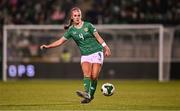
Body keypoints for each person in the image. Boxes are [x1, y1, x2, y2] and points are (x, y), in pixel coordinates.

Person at [40, 7, 111, 104]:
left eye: (79, 15)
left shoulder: (88, 25)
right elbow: (60, 41)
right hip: (85, 55)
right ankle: (86, 94)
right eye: (75, 16)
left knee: (94, 76)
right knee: (87, 74)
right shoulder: (71, 31)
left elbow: (98, 37)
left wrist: (106, 47)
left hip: (96, 51)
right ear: (72, 17)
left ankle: (91, 96)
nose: (77, 17)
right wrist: (48, 46)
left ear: (81, 16)